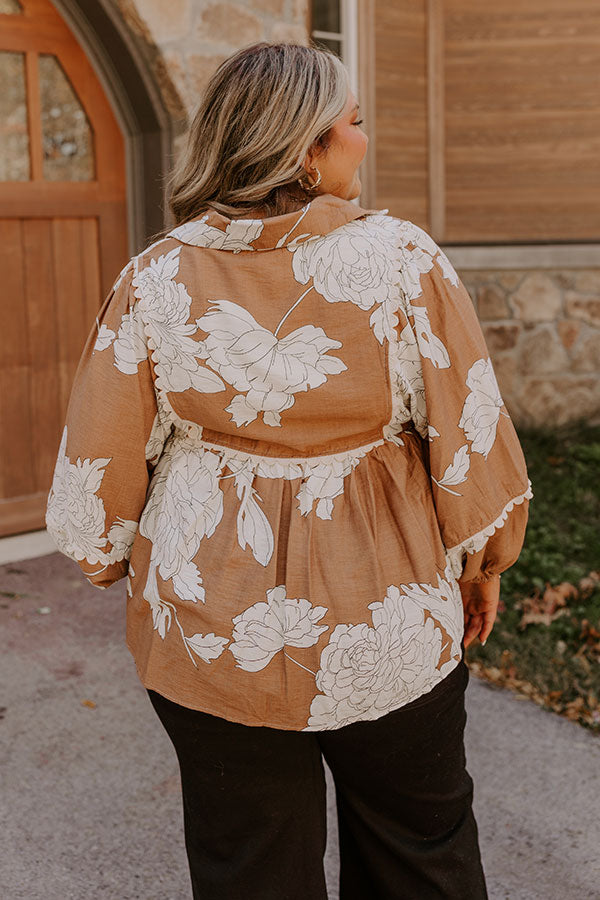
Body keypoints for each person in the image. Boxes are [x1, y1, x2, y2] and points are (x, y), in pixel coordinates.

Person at [45, 41, 531, 899]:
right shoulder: (402, 263)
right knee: (422, 853)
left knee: (250, 871)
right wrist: (483, 561)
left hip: (209, 630)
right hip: (385, 619)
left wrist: (111, 559)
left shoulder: (155, 276)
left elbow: (98, 468)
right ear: (305, 148)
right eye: (352, 123)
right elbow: (471, 431)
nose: (363, 140)